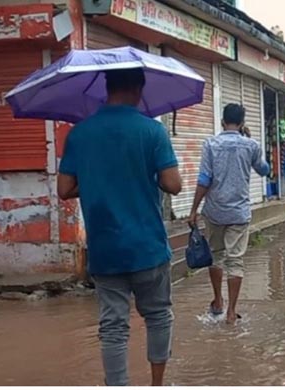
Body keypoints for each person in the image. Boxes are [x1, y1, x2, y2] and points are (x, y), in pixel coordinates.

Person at [58, 68, 182, 386]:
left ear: (106, 88)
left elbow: (64, 189)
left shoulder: (80, 133)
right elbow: (173, 185)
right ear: (138, 89)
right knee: (157, 316)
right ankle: (157, 384)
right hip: (148, 247)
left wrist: (100, 181)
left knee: (113, 326)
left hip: (105, 248)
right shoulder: (152, 131)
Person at [188, 103, 270, 325]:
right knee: (236, 260)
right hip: (239, 213)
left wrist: (193, 209)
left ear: (223, 122)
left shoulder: (211, 144)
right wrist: (252, 146)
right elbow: (264, 170)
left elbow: (204, 179)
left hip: (214, 211)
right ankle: (232, 312)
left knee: (216, 255)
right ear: (242, 123)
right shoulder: (251, 145)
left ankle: (217, 302)